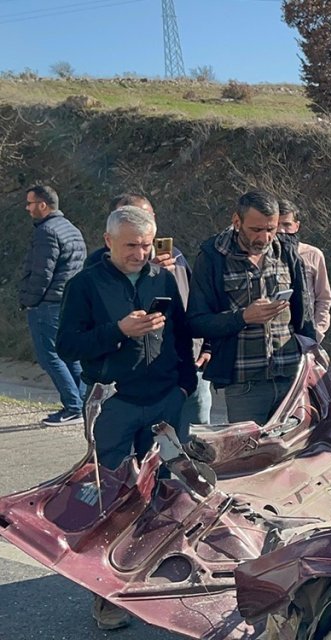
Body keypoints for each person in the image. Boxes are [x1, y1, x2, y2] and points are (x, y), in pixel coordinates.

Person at [55, 206, 196, 632]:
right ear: (108, 241)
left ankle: (164, 582)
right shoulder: (85, 284)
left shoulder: (161, 276)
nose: (141, 252)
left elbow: (181, 333)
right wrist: (119, 330)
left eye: (147, 243)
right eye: (131, 244)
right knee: (112, 501)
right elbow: (66, 346)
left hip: (167, 401)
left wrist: (185, 386)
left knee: (170, 495)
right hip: (115, 404)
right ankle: (107, 595)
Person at [86, 193, 214, 426]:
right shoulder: (96, 266)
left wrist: (207, 345)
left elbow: (195, 304)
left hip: (189, 365)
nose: (141, 222)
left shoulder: (174, 256)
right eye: (131, 216)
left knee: (195, 442)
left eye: (146, 215)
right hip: (132, 380)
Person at [188, 190, 314, 426]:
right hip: (244, 384)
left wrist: (312, 359)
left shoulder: (286, 252)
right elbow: (197, 321)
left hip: (291, 378)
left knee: (291, 458)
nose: (265, 238)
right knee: (248, 458)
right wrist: (243, 317)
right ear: (237, 222)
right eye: (256, 230)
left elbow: (304, 314)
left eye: (271, 229)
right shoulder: (213, 258)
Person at [20, 184, 86, 427]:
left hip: (47, 304)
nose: (27, 208)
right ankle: (84, 402)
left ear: (43, 205)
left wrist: (29, 300)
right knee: (70, 354)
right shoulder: (71, 229)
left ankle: (73, 406)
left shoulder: (46, 232)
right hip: (68, 302)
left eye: (30, 203)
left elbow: (41, 273)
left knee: (50, 356)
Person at [277, 199, 331, 341]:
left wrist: (318, 330)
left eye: (286, 225)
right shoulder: (263, 257)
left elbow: (324, 298)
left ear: (296, 226)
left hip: (306, 333)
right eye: (276, 225)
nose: (281, 230)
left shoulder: (313, 255)